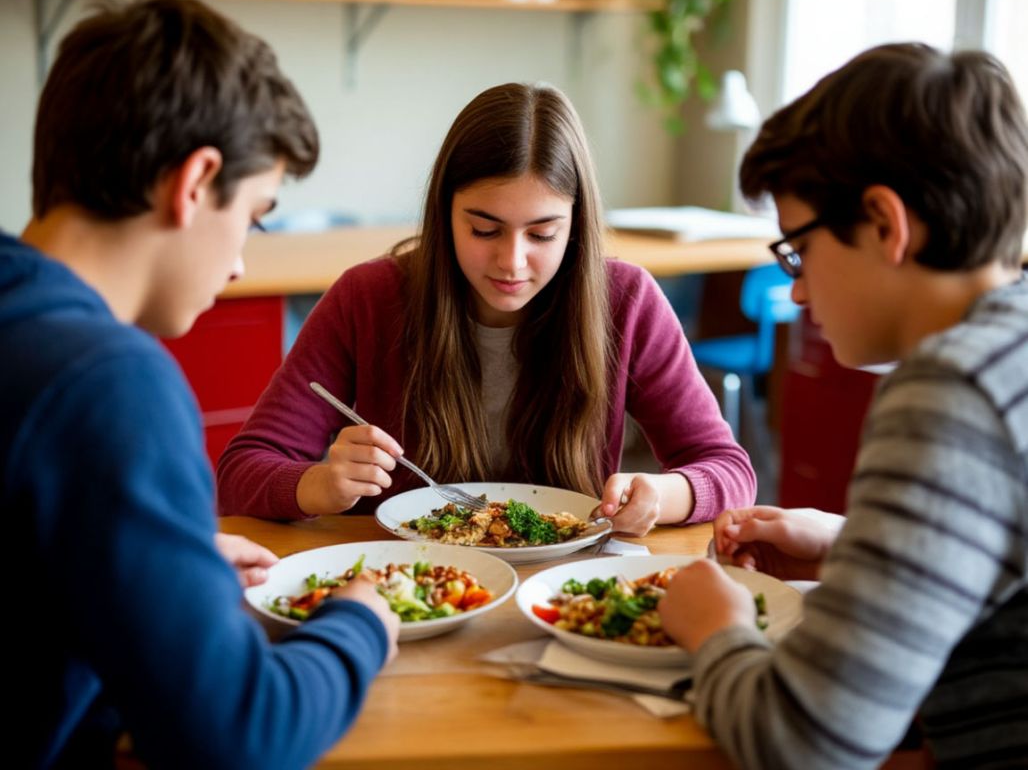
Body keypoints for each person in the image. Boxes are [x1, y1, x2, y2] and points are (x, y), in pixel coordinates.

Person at [1, 0, 400, 769]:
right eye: (254, 215)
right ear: (196, 182)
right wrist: (361, 623)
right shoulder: (113, 383)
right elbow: (237, 737)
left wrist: (161, 560)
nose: (242, 261)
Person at [657, 42, 1028, 769]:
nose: (796, 291)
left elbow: (805, 741)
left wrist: (715, 627)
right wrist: (855, 543)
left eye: (798, 250)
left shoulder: (953, 390)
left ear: (885, 225)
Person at [216, 82, 756, 534]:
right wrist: (316, 484)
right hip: (404, 586)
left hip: (560, 590)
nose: (512, 262)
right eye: (483, 229)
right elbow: (239, 472)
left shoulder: (625, 300)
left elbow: (729, 471)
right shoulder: (370, 298)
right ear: (444, 212)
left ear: (576, 226)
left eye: (543, 233)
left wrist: (662, 494)